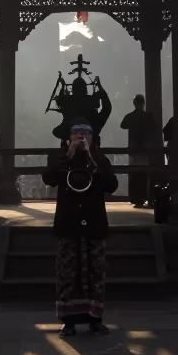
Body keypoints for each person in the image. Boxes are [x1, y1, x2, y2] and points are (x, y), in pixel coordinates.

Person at [44, 119, 118, 337]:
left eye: (86, 133)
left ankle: (95, 319)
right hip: (68, 223)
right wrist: (69, 154)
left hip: (93, 222)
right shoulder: (59, 158)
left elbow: (111, 185)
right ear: (68, 138)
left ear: (94, 138)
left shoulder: (99, 159)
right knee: (68, 274)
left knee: (95, 274)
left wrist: (91, 158)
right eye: (77, 133)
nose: (81, 136)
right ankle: (69, 322)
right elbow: (49, 178)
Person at [119, 94, 159, 208]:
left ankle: (135, 198)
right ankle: (144, 196)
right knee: (144, 174)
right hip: (145, 149)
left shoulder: (130, 116)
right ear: (143, 103)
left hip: (133, 148)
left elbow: (123, 125)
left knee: (134, 173)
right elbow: (156, 127)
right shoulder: (148, 116)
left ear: (134, 103)